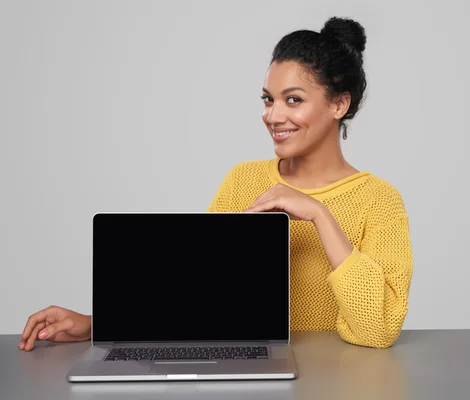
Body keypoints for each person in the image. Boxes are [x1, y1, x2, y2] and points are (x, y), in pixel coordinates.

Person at [18, 16, 413, 351]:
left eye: (292, 100)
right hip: (255, 377)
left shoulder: (379, 201)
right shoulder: (245, 179)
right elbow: (197, 292)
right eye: (267, 99)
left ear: (338, 105)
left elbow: (377, 330)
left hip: (338, 383)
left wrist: (319, 214)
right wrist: (96, 323)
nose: (273, 116)